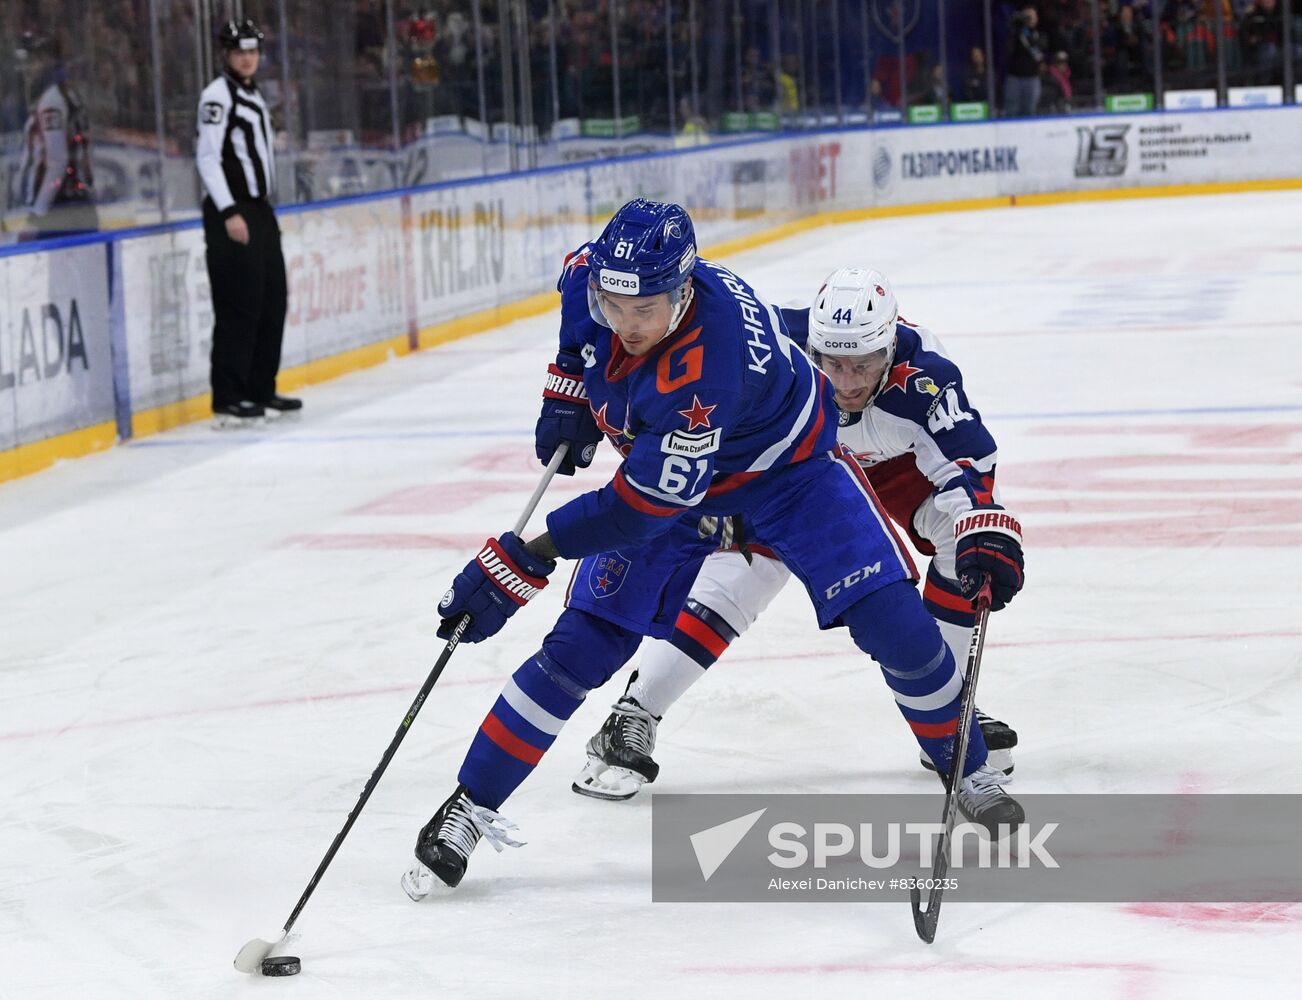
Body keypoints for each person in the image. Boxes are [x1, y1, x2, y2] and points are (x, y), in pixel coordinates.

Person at [401, 201, 1025, 898]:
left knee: (896, 627)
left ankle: (965, 769)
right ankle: (470, 803)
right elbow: (580, 307)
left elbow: (637, 509)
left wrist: (526, 556)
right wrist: (567, 393)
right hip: (680, 480)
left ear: (684, 289)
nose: (627, 324)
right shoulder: (592, 279)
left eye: (646, 309)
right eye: (614, 305)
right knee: (581, 646)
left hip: (794, 480)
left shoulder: (705, 369)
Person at [573, 266, 1023, 801]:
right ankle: (636, 710)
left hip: (893, 469)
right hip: (801, 465)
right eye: (833, 363)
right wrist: (582, 397)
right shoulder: (772, 340)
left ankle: (951, 712)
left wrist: (982, 526)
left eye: (864, 364)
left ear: (890, 344)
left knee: (960, 532)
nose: (848, 382)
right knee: (750, 567)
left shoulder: (925, 378)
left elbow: (969, 469)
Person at [196, 19, 298, 427]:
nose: (247, 58)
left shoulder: (253, 94)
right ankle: (229, 396)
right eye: (240, 52)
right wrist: (228, 211)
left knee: (272, 299)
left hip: (259, 210)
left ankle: (260, 387)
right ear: (226, 54)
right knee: (239, 304)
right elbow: (207, 157)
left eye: (253, 51)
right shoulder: (217, 96)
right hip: (233, 212)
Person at [15, 33, 98, 240]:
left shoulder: (51, 101)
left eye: (33, 61)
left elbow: (58, 161)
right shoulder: (64, 94)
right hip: (73, 206)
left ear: (47, 62)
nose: (27, 68)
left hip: (61, 211)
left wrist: (37, 215)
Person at [1004, 5, 1045, 117]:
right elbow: (1008, 49)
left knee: (1030, 110)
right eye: (1027, 16)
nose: (1029, 19)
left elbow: (1039, 52)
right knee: (1012, 110)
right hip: (1014, 78)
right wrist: (1016, 28)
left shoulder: (1039, 34)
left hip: (1032, 78)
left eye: (1032, 16)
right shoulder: (1016, 33)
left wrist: (1026, 33)